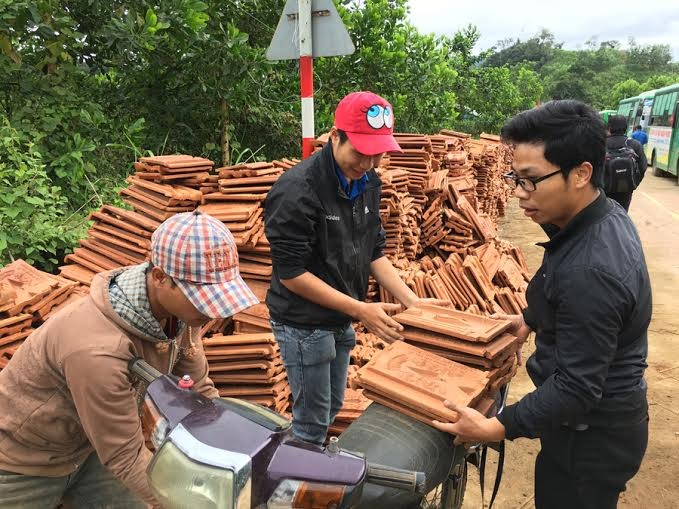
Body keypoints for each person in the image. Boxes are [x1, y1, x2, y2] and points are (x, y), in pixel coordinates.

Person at [432, 100, 651, 509]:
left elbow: (576, 388)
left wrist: (497, 427)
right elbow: (559, 283)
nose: (518, 193)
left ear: (581, 173)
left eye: (530, 180)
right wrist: (528, 319)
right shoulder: (594, 218)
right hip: (594, 425)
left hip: (591, 438)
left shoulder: (592, 269)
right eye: (515, 177)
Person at [0, 210, 258, 508]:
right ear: (160, 277)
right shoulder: (96, 349)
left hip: (88, 448)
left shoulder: (181, 316)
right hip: (20, 460)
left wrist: (238, 454)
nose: (215, 312)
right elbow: (124, 454)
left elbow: (198, 390)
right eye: (203, 298)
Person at [264, 91, 448, 446]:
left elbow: (373, 251)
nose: (368, 162)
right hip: (303, 323)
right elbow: (292, 274)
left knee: (331, 406)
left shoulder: (368, 183)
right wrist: (362, 310)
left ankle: (306, 457)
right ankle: (295, 487)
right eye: (360, 152)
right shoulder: (298, 191)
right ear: (335, 136)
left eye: (377, 153)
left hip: (340, 316)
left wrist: (413, 302)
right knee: (312, 423)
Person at [605, 115, 648, 211]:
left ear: (609, 128)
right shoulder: (635, 144)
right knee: (622, 213)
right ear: (626, 128)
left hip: (604, 189)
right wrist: (633, 182)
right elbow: (643, 166)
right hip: (626, 189)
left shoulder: (601, 143)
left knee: (604, 216)